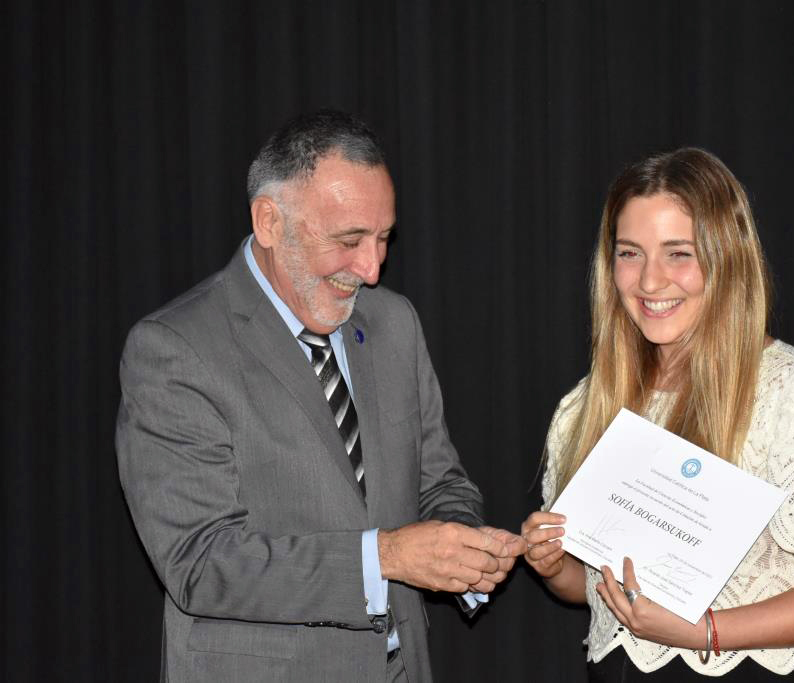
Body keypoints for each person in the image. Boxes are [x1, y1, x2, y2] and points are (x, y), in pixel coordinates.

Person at [116, 109, 526, 683]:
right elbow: (200, 564)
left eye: (383, 238)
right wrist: (386, 556)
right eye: (349, 240)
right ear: (269, 221)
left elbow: (440, 482)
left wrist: (461, 546)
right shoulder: (175, 348)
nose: (372, 268)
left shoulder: (394, 323)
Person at [521, 147, 794, 680]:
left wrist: (706, 631)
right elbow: (588, 589)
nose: (650, 282)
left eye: (679, 253)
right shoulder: (585, 407)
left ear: (727, 258)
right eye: (630, 253)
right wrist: (553, 562)